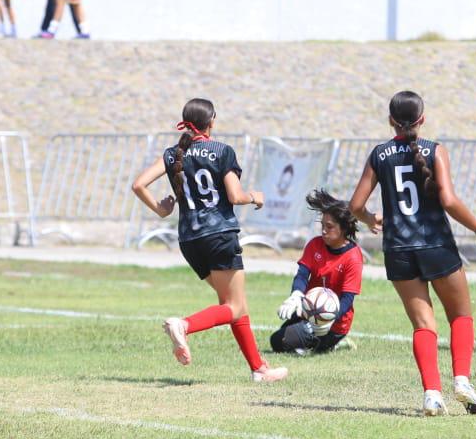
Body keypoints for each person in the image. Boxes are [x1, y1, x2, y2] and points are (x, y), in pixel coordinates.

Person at [348, 90, 476, 416]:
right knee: (460, 315)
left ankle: (431, 394)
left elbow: (355, 205)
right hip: (436, 244)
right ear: (423, 119)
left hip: (398, 249)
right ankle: (462, 381)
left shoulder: (379, 154)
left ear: (390, 121)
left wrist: (372, 220)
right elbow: (449, 200)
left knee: (423, 324)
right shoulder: (434, 150)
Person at [131, 98, 288, 382]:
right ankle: (184, 325)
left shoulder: (172, 154)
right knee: (234, 306)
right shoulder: (222, 151)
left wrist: (160, 208)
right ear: (212, 121)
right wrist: (256, 196)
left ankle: (259, 369)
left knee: (232, 305)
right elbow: (235, 196)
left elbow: (138, 184)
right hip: (218, 234)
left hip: (189, 240)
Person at [270, 189, 363, 355]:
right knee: (277, 341)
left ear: (343, 228)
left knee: (298, 348)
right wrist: (296, 295)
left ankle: (336, 341)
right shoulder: (315, 245)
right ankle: (316, 342)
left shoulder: (353, 257)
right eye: (322, 225)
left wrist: (328, 317)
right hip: (308, 312)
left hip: (334, 323)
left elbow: (347, 299)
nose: (324, 230)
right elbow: (302, 275)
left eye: (329, 226)